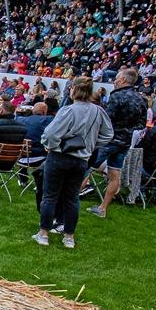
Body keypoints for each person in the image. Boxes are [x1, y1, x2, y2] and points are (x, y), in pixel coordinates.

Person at [34, 77, 113, 249]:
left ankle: (44, 233)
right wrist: (91, 145)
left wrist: (53, 146)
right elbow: (108, 134)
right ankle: (69, 237)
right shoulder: (98, 111)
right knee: (72, 198)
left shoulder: (68, 110)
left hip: (60, 157)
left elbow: (50, 134)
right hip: (81, 160)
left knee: (50, 196)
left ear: (74, 90)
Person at [87, 69, 148, 219]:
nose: (114, 81)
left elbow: (107, 119)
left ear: (123, 80)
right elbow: (142, 124)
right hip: (125, 141)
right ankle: (103, 208)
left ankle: (69, 201)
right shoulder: (141, 99)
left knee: (86, 168)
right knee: (115, 175)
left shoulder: (117, 96)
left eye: (117, 78)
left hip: (109, 139)